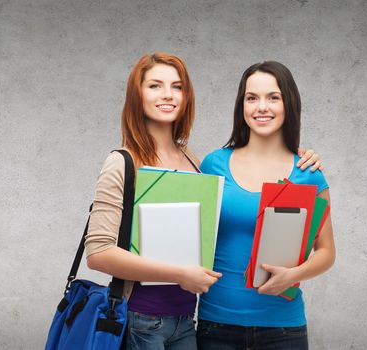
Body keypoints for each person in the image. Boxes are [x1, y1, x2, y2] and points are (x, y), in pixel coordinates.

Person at [84, 53, 324, 349]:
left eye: (177, 86)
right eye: (155, 86)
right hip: (140, 319)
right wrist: (180, 274)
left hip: (186, 321)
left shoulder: (197, 165)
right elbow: (97, 254)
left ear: (187, 96)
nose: (168, 95)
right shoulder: (123, 162)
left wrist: (291, 154)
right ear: (137, 96)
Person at [196, 61, 335, 350]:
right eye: (252, 98)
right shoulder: (213, 164)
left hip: (283, 329)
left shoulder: (308, 173)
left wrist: (294, 275)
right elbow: (193, 237)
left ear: (289, 104)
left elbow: (326, 252)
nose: (262, 107)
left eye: (273, 97)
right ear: (241, 105)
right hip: (216, 325)